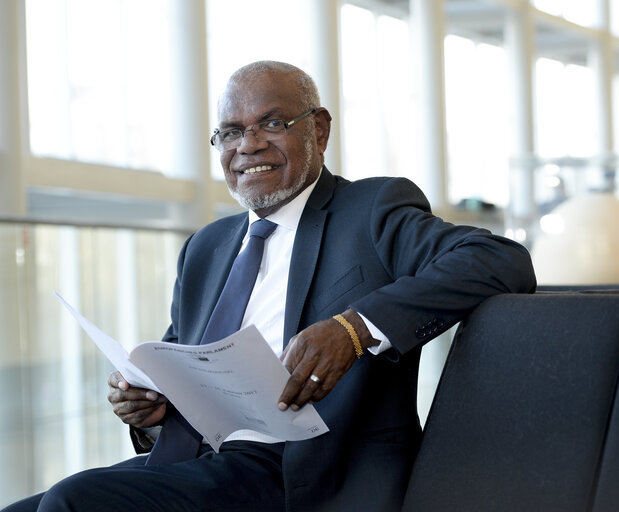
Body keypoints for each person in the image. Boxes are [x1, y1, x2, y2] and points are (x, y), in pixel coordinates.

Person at [4, 61, 535, 512]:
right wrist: (150, 409)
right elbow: (180, 366)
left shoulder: (371, 209)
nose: (248, 145)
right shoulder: (207, 246)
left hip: (306, 471)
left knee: (75, 500)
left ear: (319, 130)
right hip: (203, 462)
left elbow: (497, 258)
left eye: (272, 123)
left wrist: (354, 330)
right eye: (230, 132)